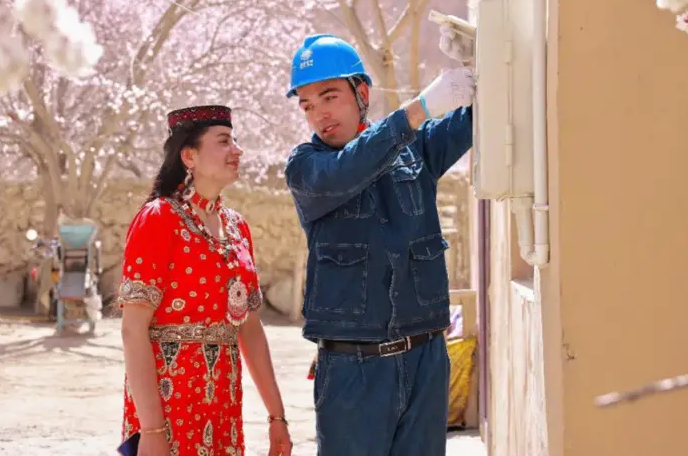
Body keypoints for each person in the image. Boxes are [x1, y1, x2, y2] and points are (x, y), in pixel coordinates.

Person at [284, 29, 475, 456]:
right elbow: (350, 168)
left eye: (329, 96)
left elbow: (478, 119)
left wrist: (480, 69)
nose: (319, 115)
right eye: (308, 105)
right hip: (354, 370)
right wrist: (419, 109)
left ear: (362, 92)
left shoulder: (416, 152)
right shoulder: (307, 168)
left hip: (425, 358)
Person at [117, 105, 293, 456]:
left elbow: (250, 329)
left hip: (222, 408)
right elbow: (133, 329)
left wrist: (277, 417)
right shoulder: (160, 218)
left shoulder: (238, 227)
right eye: (224, 141)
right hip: (168, 410)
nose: (237, 150)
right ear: (189, 156)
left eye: (236, 141)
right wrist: (151, 430)